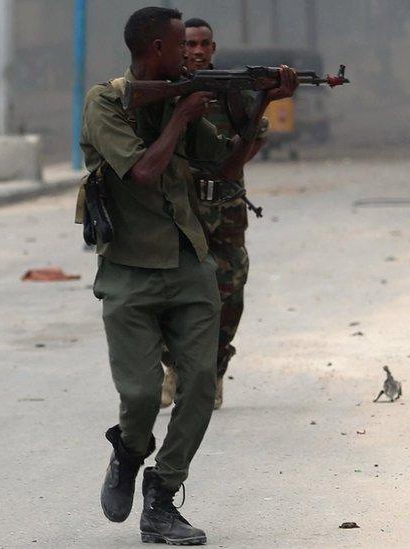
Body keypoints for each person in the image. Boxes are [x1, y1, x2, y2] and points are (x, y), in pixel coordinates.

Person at [78, 7, 296, 544]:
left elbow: (226, 169)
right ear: (156, 49)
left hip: (190, 261)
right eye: (181, 47)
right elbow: (145, 172)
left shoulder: (185, 97)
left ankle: (162, 496)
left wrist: (262, 100)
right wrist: (181, 112)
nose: (191, 55)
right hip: (129, 269)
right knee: (142, 397)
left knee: (199, 384)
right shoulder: (107, 101)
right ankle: (128, 454)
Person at [159, 17, 271, 411]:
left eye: (205, 43)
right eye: (190, 44)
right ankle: (173, 366)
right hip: (179, 208)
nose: (198, 51)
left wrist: (231, 167)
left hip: (226, 208)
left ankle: (215, 369)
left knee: (229, 289)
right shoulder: (164, 88)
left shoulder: (231, 89)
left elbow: (257, 133)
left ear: (214, 47)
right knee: (170, 292)